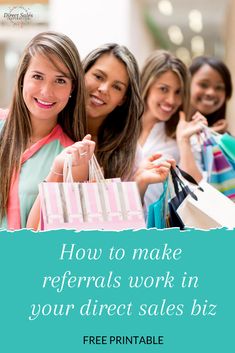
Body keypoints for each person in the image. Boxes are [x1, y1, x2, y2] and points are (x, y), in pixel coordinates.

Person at [0, 31, 95, 230]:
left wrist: (56, 172)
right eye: (37, 76)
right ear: (22, 78)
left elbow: (45, 239)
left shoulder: (73, 157)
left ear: (72, 89)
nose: (46, 92)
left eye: (60, 80)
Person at [83, 43, 174, 199]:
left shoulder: (130, 153)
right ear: (82, 74)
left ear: (123, 99)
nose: (104, 89)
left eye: (117, 87)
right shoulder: (53, 129)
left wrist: (140, 184)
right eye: (98, 77)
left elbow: (129, 220)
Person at [139, 50, 206, 211]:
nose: (171, 100)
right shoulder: (121, 128)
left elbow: (198, 193)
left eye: (178, 92)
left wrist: (183, 141)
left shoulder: (183, 136)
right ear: (147, 85)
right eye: (163, 89)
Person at [190, 55, 232, 133]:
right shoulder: (165, 130)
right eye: (204, 85)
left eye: (219, 87)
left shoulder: (227, 142)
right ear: (187, 84)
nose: (211, 93)